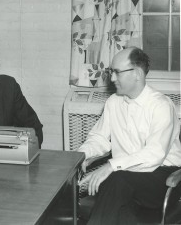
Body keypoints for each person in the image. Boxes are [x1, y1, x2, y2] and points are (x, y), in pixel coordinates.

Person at [77, 47, 181, 225]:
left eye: (117, 72)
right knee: (123, 213)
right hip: (125, 180)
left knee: (117, 179)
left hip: (163, 178)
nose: (111, 78)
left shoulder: (161, 105)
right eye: (111, 72)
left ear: (138, 74)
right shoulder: (113, 102)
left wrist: (111, 166)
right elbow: (99, 138)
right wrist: (81, 156)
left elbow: (154, 154)